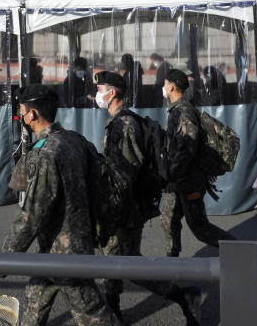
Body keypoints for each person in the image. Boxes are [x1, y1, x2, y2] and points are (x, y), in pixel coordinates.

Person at [2, 84, 116, 326]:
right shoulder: (75, 140)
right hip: (54, 250)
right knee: (34, 304)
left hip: (65, 255)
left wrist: (5, 258)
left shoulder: (45, 154)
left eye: (22, 111)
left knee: (94, 314)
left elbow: (31, 215)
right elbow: (101, 186)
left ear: (32, 115)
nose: (21, 117)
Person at [94, 71, 201, 325]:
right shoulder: (117, 122)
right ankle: (114, 311)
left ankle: (182, 296)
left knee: (128, 264)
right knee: (115, 260)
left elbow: (125, 174)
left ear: (113, 93)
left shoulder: (125, 125)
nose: (98, 94)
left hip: (126, 209)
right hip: (124, 207)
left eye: (101, 89)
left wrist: (107, 204)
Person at [161, 68, 236, 258]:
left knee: (200, 227)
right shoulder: (177, 110)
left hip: (189, 181)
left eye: (165, 83)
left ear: (171, 87)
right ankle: (171, 260)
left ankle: (240, 252)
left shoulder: (184, 113)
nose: (163, 86)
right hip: (181, 180)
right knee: (168, 217)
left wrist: (171, 176)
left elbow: (187, 149)